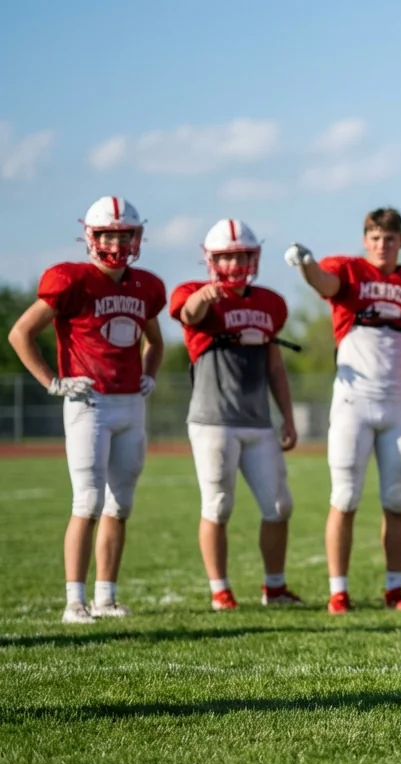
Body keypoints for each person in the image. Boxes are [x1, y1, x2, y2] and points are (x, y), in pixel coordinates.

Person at [6, 196, 166, 623]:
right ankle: (74, 601)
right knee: (89, 501)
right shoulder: (70, 279)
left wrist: (149, 371)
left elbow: (156, 340)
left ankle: (106, 597)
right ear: (90, 236)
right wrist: (52, 382)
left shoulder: (145, 285)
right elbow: (20, 333)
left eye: (124, 233)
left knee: (120, 505)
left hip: (131, 403)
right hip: (88, 402)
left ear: (137, 236)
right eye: (108, 233)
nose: (116, 241)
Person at [283, 208, 401, 615]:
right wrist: (306, 265)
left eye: (389, 238)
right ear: (364, 240)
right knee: (346, 496)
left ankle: (395, 589)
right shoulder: (350, 273)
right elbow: (324, 281)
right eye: (374, 237)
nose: (381, 245)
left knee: (396, 500)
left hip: (400, 402)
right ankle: (339, 591)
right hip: (354, 401)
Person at [170, 219, 302, 611]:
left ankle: (274, 587)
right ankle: (220, 589)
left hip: (258, 420)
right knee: (218, 505)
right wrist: (206, 298)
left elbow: (275, 366)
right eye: (226, 257)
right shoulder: (196, 294)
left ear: (254, 256)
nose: (233, 264)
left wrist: (288, 417)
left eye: (241, 255)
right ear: (211, 260)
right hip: (213, 420)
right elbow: (189, 315)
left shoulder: (270, 303)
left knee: (279, 506)